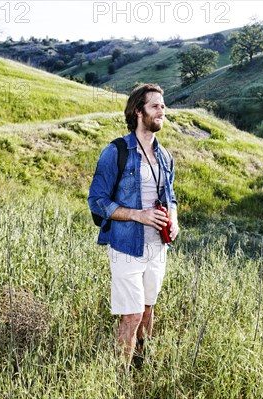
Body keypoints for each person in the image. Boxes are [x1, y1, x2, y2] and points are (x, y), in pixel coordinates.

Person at [88, 83, 179, 369]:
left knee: (149, 309)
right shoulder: (115, 152)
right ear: (139, 111)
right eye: (155, 106)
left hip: (158, 246)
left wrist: (174, 219)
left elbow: (170, 196)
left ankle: (141, 366)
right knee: (132, 314)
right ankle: (119, 378)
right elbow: (97, 201)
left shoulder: (165, 156)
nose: (162, 110)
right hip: (126, 245)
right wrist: (137, 215)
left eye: (163, 106)